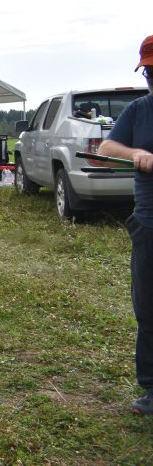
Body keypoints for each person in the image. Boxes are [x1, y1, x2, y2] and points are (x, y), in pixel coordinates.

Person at [98, 34, 153, 415]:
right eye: (148, 71)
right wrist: (136, 152)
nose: (151, 77)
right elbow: (106, 149)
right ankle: (152, 388)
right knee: (148, 309)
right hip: (149, 223)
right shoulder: (139, 110)